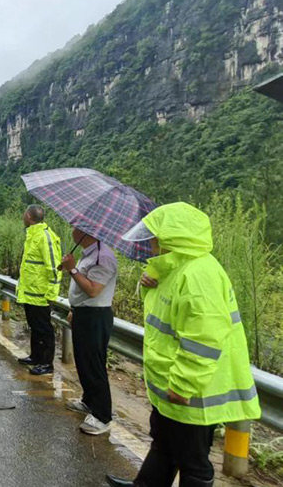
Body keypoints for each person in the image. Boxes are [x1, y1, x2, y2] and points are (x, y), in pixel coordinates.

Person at [107, 202, 261, 487]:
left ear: (172, 239)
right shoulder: (174, 270)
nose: (151, 242)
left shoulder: (199, 275)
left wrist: (182, 383)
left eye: (155, 236)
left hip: (194, 391)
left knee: (193, 462)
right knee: (164, 443)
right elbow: (165, 318)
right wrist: (150, 286)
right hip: (172, 383)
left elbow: (204, 337)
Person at [61, 228, 118, 435]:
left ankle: (103, 416)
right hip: (84, 313)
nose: (73, 230)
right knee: (83, 362)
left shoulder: (104, 257)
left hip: (96, 316)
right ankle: (88, 401)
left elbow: (94, 289)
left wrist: (72, 269)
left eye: (77, 228)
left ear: (88, 232)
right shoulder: (90, 254)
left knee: (94, 365)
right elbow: (82, 292)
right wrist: (74, 308)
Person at [16, 204, 62, 376]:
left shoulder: (45, 236)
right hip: (29, 292)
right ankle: (35, 356)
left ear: (28, 216)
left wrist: (51, 294)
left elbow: (54, 267)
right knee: (34, 326)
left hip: (41, 294)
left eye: (23, 213)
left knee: (44, 329)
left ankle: (46, 363)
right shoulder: (32, 235)